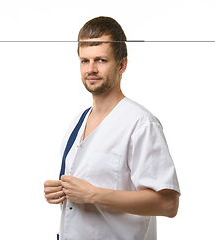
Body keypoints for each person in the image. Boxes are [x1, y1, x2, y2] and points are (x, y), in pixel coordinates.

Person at [44, 16, 180, 240]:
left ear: (121, 65)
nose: (91, 69)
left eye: (101, 60)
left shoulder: (140, 123)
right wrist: (60, 192)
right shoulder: (77, 122)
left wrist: (93, 195)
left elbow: (167, 204)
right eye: (85, 61)